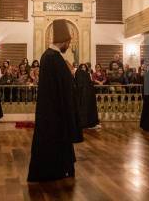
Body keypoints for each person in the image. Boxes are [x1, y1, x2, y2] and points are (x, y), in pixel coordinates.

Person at [28, 19, 82, 182]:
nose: (68, 46)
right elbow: (63, 87)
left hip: (52, 110)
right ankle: (55, 171)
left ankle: (59, 169)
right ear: (64, 41)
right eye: (68, 43)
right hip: (55, 112)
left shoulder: (49, 56)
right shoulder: (53, 58)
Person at [75, 63, 100, 129]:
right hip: (81, 95)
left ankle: (90, 123)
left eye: (84, 67)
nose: (83, 68)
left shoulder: (88, 74)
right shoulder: (79, 73)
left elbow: (90, 82)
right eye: (82, 67)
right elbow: (78, 84)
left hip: (88, 94)